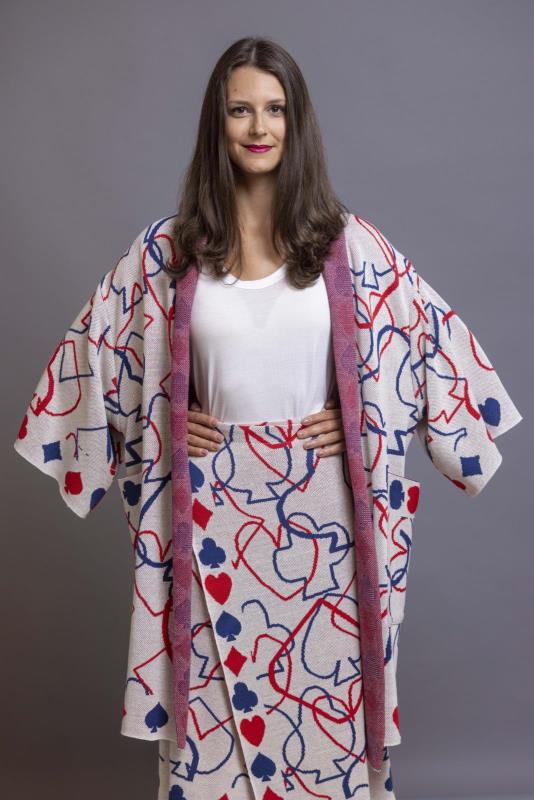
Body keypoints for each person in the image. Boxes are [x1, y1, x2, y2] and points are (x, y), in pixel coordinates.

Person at [13, 36, 522, 800]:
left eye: (276, 109)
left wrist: (361, 421)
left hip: (327, 525)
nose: (259, 126)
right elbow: (102, 352)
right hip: (207, 517)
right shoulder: (167, 251)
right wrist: (166, 422)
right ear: (216, 123)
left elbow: (421, 346)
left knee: (328, 737)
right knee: (212, 741)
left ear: (297, 121)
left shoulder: (352, 247)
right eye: (241, 109)